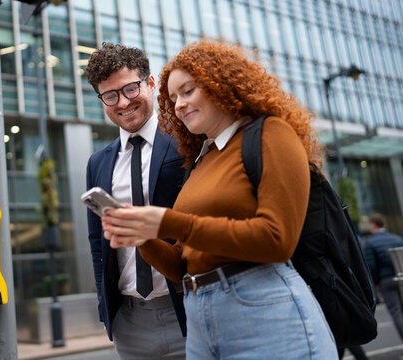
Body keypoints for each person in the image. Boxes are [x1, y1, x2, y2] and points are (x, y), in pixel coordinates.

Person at [101, 40, 338, 359]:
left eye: (188, 91)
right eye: (173, 99)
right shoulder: (200, 161)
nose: (179, 105)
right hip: (200, 314)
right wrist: (142, 237)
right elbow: (181, 266)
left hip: (264, 309)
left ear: (219, 83)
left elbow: (277, 240)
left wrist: (169, 222)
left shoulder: (271, 133)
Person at [84, 42, 187, 359]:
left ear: (151, 84)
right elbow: (96, 240)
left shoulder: (186, 139)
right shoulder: (98, 163)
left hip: (186, 306)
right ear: (102, 100)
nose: (123, 102)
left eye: (130, 89)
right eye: (110, 96)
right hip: (129, 319)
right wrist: (107, 309)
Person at [364, 213, 403, 340]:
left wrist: (375, 284)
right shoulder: (397, 238)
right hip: (401, 277)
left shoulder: (370, 243)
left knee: (397, 312)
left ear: (373, 225)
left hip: (386, 280)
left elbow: (371, 267)